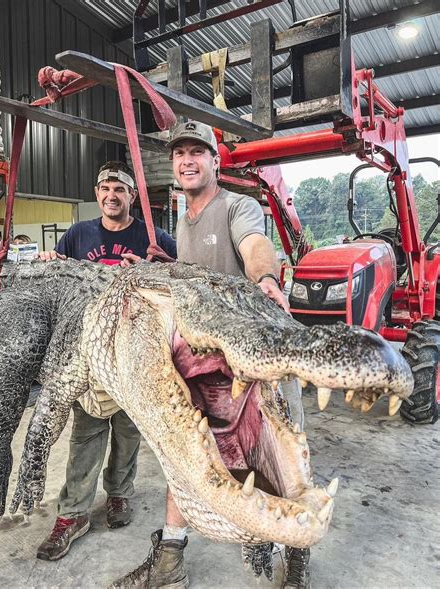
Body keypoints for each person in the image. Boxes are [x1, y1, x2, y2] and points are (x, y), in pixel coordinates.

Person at [113, 122, 307, 589]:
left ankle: (297, 555)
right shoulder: (184, 215)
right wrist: (158, 272)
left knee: (276, 464)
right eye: (180, 153)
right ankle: (170, 559)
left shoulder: (237, 205)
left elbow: (254, 246)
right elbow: (195, 280)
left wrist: (266, 280)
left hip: (255, 361)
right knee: (186, 457)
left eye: (197, 152)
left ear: (216, 161)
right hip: (210, 368)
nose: (187, 160)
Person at [35, 161, 177, 562]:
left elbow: (184, 275)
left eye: (120, 190)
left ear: (132, 196)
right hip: (90, 353)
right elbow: (60, 279)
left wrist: (155, 267)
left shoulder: (153, 236)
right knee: (85, 433)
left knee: (129, 432)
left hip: (134, 352)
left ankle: (118, 495)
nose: (112, 196)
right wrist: (49, 261)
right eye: (105, 189)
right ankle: (73, 514)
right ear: (97, 194)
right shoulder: (79, 235)